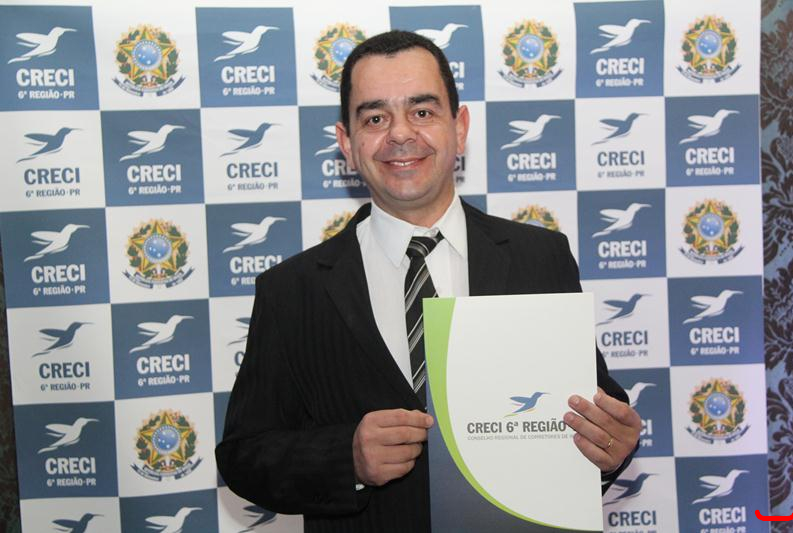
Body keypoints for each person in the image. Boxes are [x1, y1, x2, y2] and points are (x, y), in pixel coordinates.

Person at [216, 30, 641, 533]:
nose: (400, 134)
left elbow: (592, 416)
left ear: (459, 128)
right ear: (347, 143)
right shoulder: (292, 291)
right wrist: (345, 458)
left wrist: (611, 447)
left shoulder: (540, 258)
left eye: (422, 111)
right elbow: (244, 455)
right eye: (375, 118)